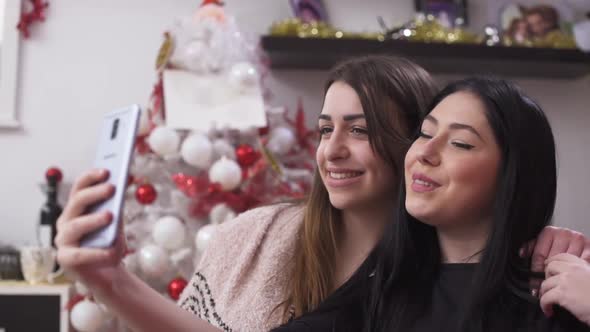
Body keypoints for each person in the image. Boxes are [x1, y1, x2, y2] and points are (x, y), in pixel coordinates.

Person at [55, 58, 590, 332]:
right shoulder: (385, 290)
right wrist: (112, 282)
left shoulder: (553, 288)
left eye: (359, 130)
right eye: (426, 134)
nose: (332, 151)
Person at [364, 77, 590, 331]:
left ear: (513, 173)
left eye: (460, 143)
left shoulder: (560, 295)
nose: (424, 152)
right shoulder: (377, 292)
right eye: (425, 133)